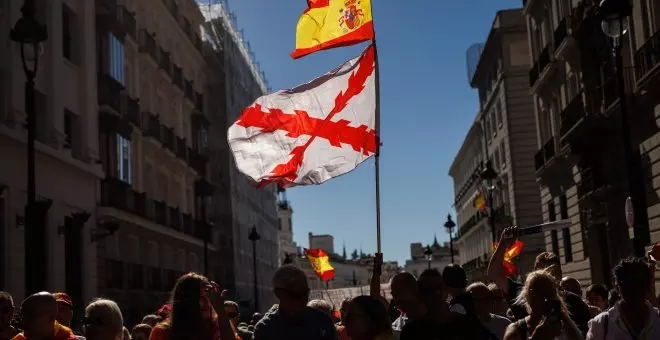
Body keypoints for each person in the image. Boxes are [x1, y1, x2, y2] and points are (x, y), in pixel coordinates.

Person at [488, 228, 592, 334]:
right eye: (542, 271)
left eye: (551, 272)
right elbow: (494, 273)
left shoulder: (574, 301)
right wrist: (503, 243)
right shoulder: (519, 295)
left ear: (559, 275)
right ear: (534, 274)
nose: (545, 276)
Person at [400, 269, 494, 340]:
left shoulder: (468, 325)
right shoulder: (411, 332)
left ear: (445, 290)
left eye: (438, 288)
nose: (434, 294)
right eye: (427, 290)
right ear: (420, 295)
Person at [253, 265, 336, 340]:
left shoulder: (323, 322)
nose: (303, 300)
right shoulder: (265, 329)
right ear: (278, 293)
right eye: (296, 295)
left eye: (305, 294)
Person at [586, 257, 660, 339]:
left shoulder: (657, 320)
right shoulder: (601, 325)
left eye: (639, 283)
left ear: (648, 286)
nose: (635, 289)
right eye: (627, 284)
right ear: (617, 288)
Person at [149, 273, 238, 340]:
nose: (207, 303)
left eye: (209, 297)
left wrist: (221, 311)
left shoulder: (219, 327)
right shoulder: (162, 333)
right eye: (200, 298)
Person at [503, 270, 582, 340]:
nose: (546, 300)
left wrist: (565, 319)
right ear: (528, 297)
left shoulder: (564, 325)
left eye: (549, 295)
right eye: (540, 295)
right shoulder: (516, 330)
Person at [389, 272, 425, 340]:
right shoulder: (396, 327)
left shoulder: (436, 319)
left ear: (414, 290)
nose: (396, 299)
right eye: (393, 294)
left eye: (399, 293)